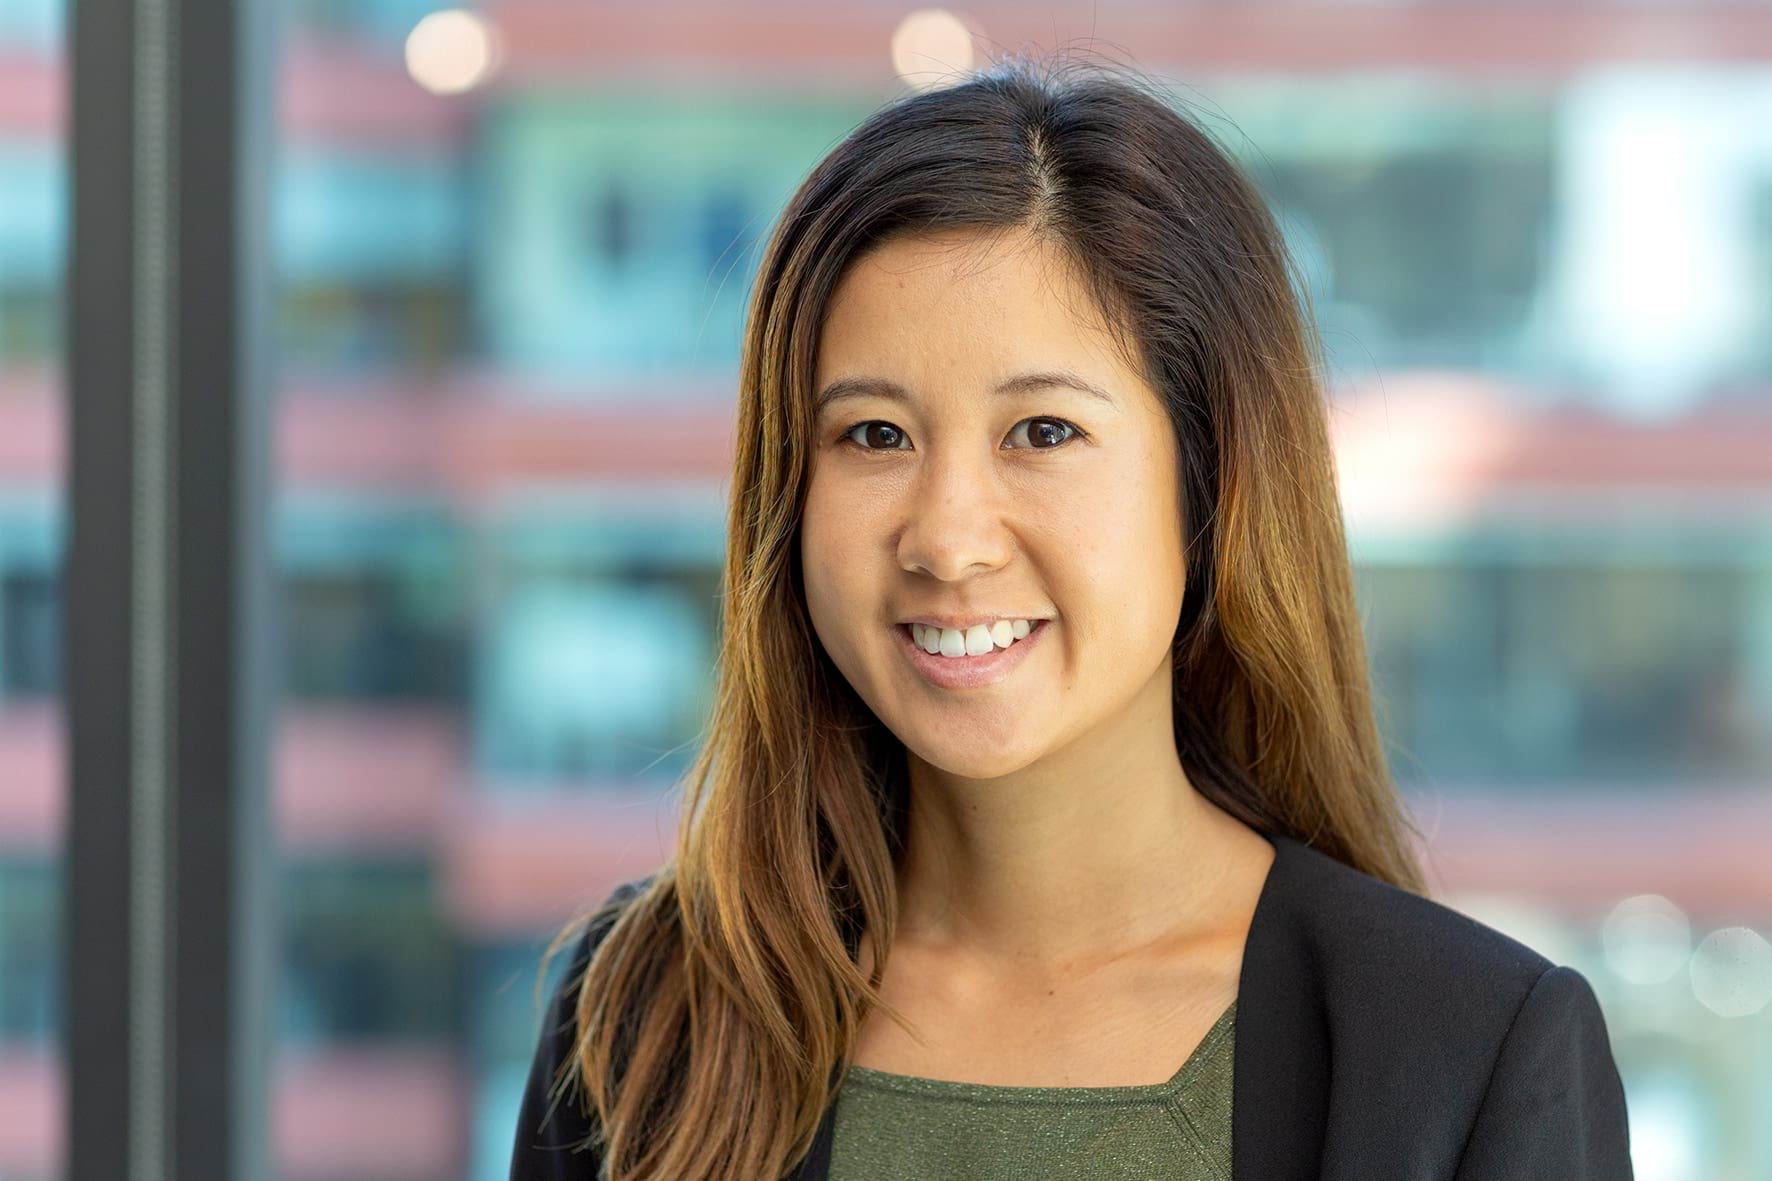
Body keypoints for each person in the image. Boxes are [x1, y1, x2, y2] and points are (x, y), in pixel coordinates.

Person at [510, 52, 1634, 1181]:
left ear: (1208, 481)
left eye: (1042, 431)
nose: (947, 539)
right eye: (872, 435)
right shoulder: (646, 1010)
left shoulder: (1468, 1049)